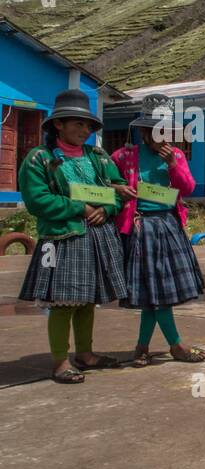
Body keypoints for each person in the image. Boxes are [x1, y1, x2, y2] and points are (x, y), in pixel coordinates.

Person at [17, 89, 130, 384]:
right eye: (78, 124)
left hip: (97, 235)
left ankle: (86, 354)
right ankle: (59, 361)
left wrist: (107, 209)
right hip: (62, 237)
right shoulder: (39, 159)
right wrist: (79, 207)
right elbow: (38, 200)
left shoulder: (99, 157)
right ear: (58, 125)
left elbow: (117, 191)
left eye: (88, 126)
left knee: (86, 300)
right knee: (63, 301)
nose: (85, 131)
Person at [111, 96, 205, 366]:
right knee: (153, 294)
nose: (164, 136)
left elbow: (187, 188)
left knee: (158, 293)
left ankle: (142, 347)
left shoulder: (175, 155)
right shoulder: (123, 156)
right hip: (141, 227)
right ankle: (174, 345)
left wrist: (174, 166)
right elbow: (109, 186)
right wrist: (119, 192)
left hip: (167, 225)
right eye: (157, 130)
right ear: (144, 132)